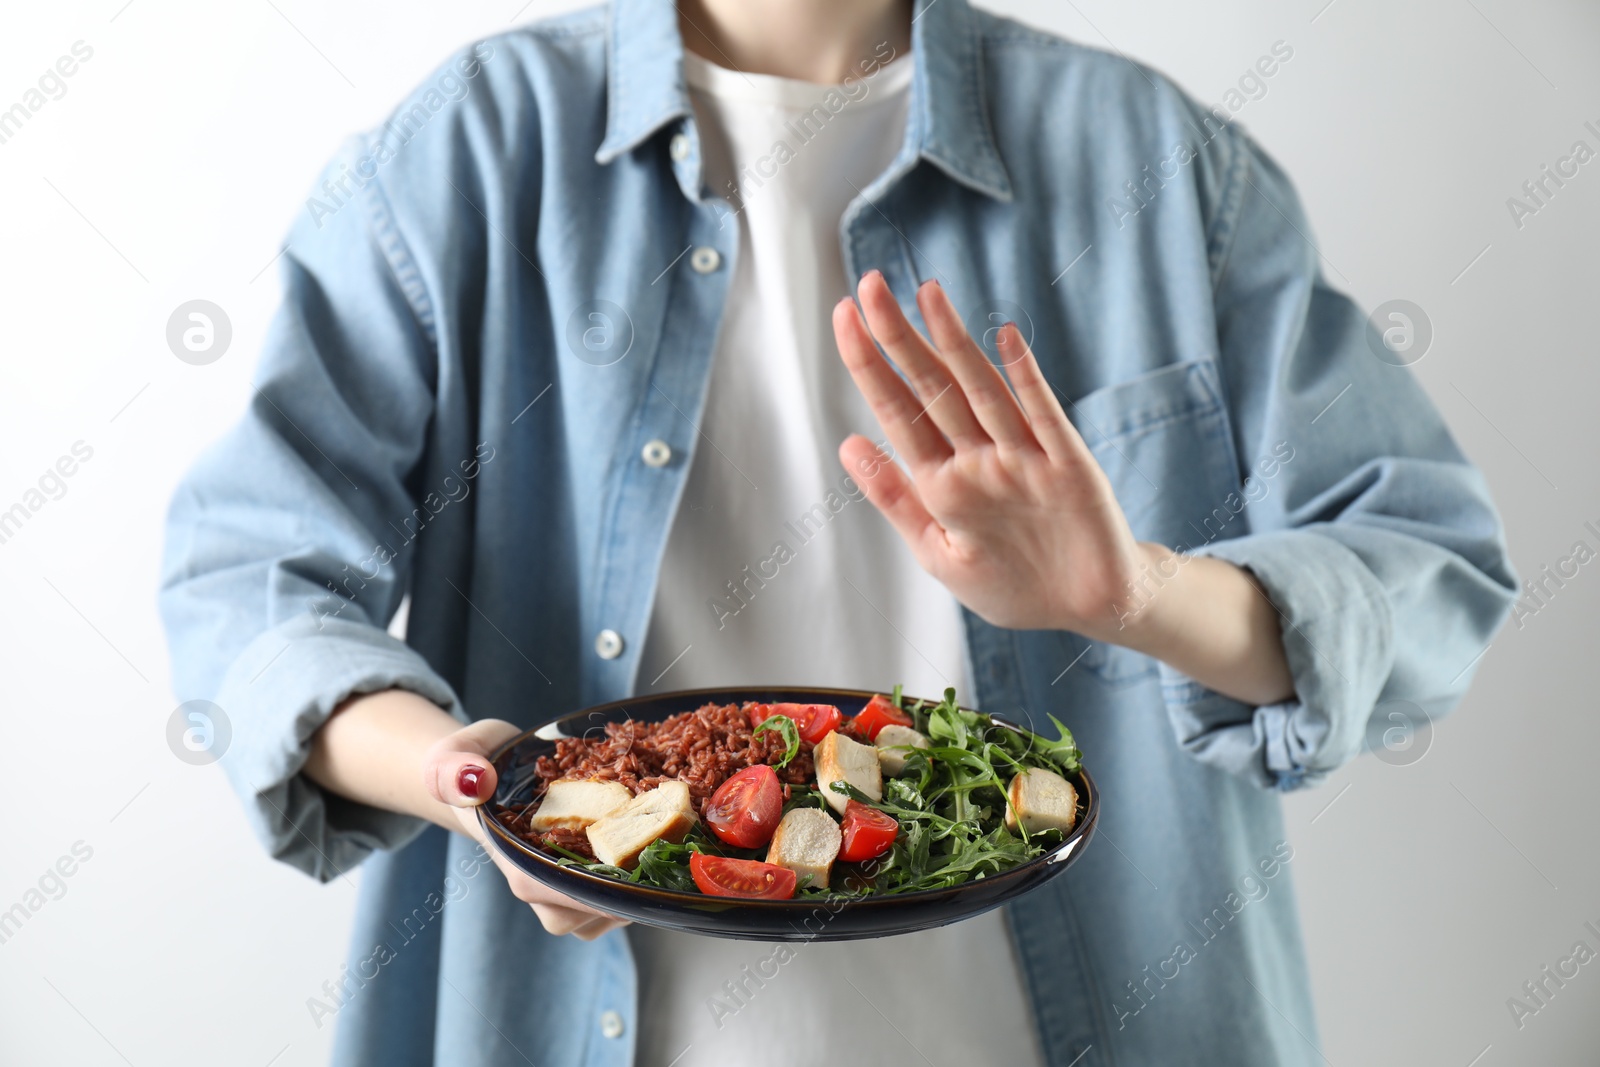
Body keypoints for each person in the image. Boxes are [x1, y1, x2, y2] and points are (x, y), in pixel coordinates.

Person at [159, 0, 1516, 1063]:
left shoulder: (1158, 168)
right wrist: (479, 786)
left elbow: (1427, 568)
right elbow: (250, 579)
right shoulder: (468, 151)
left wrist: (1141, 594)